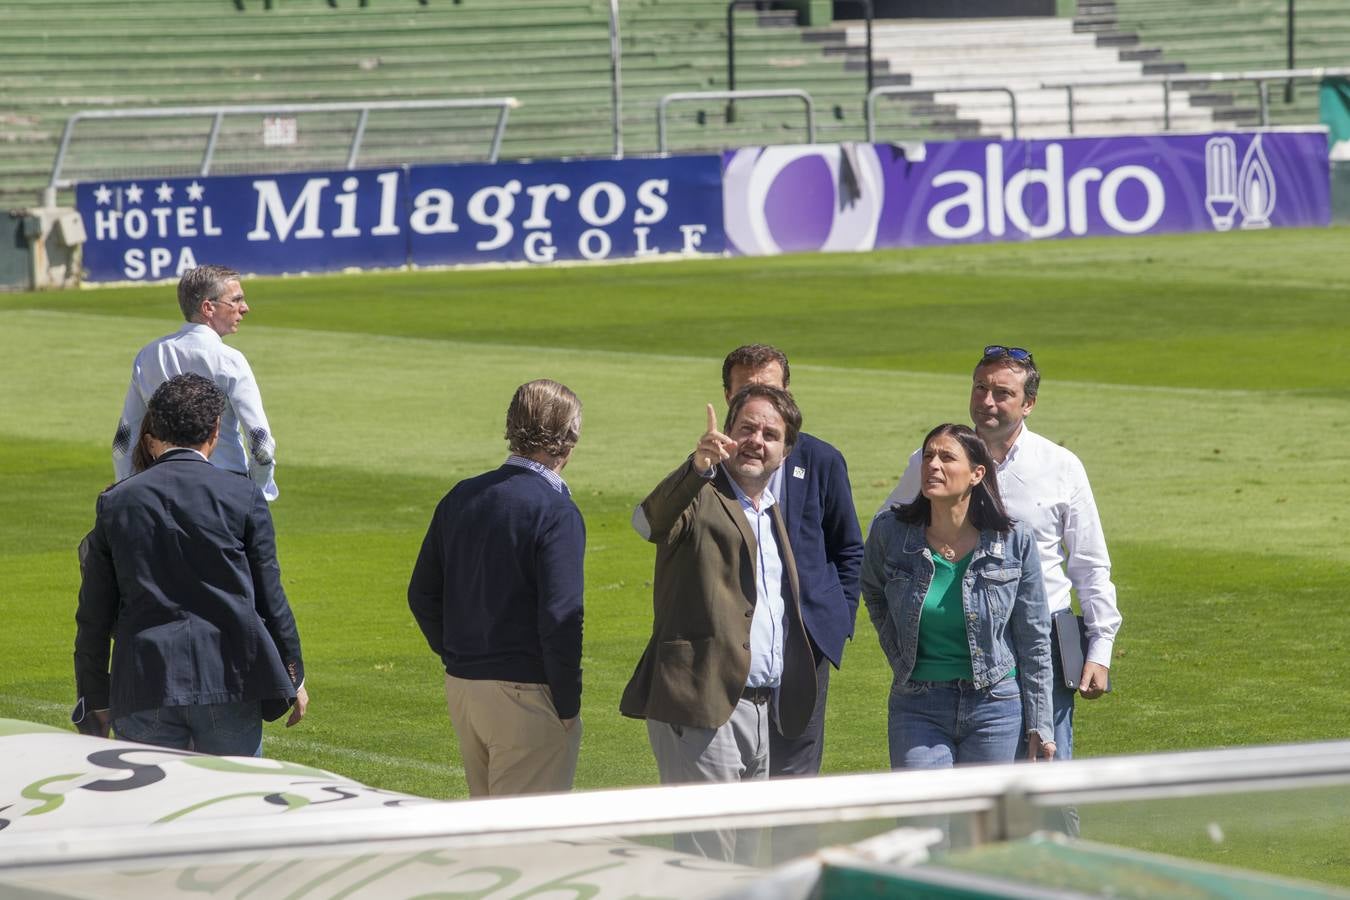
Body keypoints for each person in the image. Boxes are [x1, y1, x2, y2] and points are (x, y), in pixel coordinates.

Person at [876, 346, 1120, 768]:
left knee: (1047, 780)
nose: (987, 401)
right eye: (980, 388)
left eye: (1002, 393)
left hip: (1043, 637)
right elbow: (887, 532)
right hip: (965, 642)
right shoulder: (930, 461)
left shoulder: (1060, 465)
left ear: (1028, 404)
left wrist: (1100, 647)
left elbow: (1089, 562)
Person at [621, 384, 816, 864]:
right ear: (726, 434)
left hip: (759, 707)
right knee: (708, 858)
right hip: (701, 702)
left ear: (785, 450)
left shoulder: (770, 511)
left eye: (771, 434)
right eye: (746, 427)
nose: (756, 440)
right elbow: (648, 524)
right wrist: (696, 466)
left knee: (747, 860)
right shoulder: (701, 494)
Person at [74, 373, 307, 755]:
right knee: (235, 806)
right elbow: (271, 597)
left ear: (154, 431)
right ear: (215, 431)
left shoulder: (117, 502)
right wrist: (293, 674)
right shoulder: (243, 495)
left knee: (155, 809)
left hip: (144, 684)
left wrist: (93, 697)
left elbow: (94, 614)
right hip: (230, 682)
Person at [408, 379, 585, 797]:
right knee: (526, 844)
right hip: (527, 695)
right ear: (567, 439)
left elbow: (422, 595)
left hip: (465, 689)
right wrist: (567, 704)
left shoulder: (461, 496)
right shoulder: (556, 510)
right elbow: (561, 617)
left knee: (487, 832)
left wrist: (461, 656)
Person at [864, 424, 1054, 770]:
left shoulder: (1015, 541)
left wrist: (1041, 723)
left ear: (976, 474)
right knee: (923, 818)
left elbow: (1034, 637)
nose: (933, 465)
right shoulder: (889, 533)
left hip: (994, 706)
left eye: (947, 457)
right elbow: (873, 593)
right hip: (917, 705)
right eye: (928, 456)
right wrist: (898, 654)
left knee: (984, 823)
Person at [716, 345, 864, 780]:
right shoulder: (709, 466)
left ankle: (791, 852)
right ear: (729, 397)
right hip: (732, 648)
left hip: (805, 642)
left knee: (795, 777)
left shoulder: (821, 460)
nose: (761, 399)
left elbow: (849, 548)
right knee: (732, 778)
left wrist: (834, 623)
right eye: (748, 389)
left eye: (771, 388)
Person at [113, 264, 279, 501]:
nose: (245, 308)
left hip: (162, 489)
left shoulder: (149, 355)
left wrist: (125, 487)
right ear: (208, 307)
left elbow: (123, 440)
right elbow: (261, 443)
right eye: (236, 300)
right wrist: (260, 491)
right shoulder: (230, 360)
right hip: (226, 488)